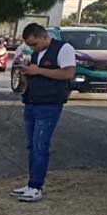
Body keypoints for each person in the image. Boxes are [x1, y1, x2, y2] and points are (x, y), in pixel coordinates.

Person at [12, 23, 76, 203]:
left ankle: (36, 186)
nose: (33, 48)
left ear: (43, 36)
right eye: (30, 45)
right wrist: (25, 76)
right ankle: (31, 183)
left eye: (34, 44)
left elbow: (68, 73)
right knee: (32, 146)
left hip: (49, 105)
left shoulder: (64, 49)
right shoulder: (35, 54)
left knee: (41, 146)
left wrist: (39, 70)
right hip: (32, 103)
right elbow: (36, 75)